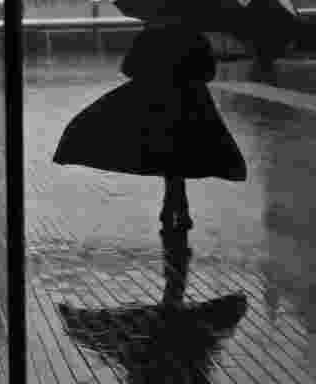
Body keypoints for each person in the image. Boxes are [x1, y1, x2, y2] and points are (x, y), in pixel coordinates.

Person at [54, 19, 246, 235]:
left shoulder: (149, 36)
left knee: (166, 151)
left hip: (155, 101)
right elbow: (209, 73)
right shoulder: (195, 36)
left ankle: (174, 205)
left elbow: (128, 68)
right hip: (192, 103)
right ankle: (179, 207)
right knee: (181, 151)